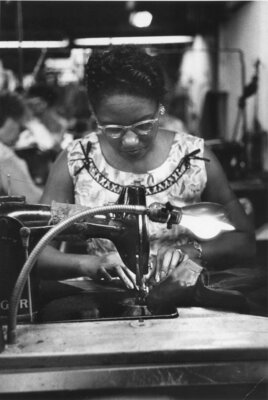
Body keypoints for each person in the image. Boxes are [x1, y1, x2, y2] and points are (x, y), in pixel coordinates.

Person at [37, 46, 256, 298]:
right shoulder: (77, 160)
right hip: (104, 304)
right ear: (94, 114)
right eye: (113, 128)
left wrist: (193, 251)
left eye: (143, 125)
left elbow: (244, 240)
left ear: (160, 109)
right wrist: (88, 264)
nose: (130, 140)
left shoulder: (195, 158)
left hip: (188, 304)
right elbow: (38, 252)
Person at [0, 90, 42, 203]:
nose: (20, 132)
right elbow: (34, 202)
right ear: (9, 120)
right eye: (19, 124)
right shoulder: (4, 158)